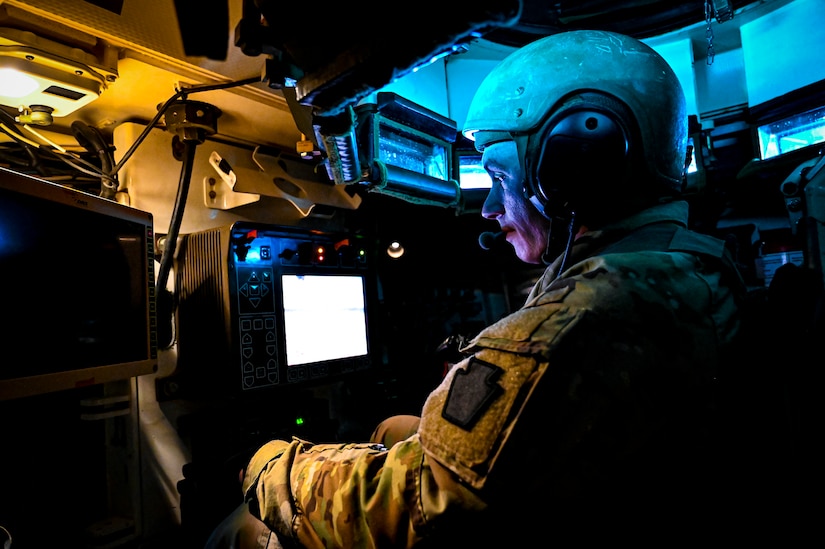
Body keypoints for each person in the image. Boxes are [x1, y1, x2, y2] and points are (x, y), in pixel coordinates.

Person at [206, 29, 747, 547]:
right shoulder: (692, 265)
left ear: (575, 165)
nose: (489, 209)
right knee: (392, 426)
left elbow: (418, 509)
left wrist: (269, 464)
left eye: (501, 179)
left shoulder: (585, 316)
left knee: (241, 532)